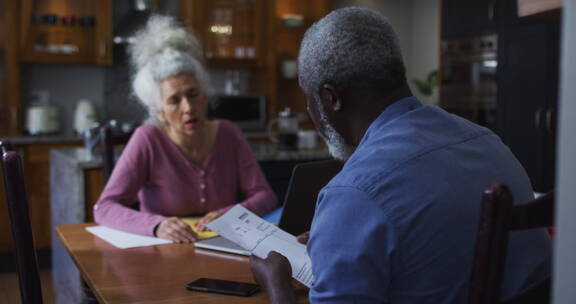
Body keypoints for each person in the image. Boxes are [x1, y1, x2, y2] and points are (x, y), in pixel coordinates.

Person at [250, 7, 551, 303]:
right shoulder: (487, 141)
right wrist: (337, 237)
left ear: (331, 98)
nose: (309, 111)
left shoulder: (354, 192)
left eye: (308, 97)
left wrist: (277, 285)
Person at [93, 15, 278, 242]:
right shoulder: (148, 139)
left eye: (193, 94)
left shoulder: (229, 133)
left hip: (222, 247)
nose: (188, 107)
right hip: (162, 253)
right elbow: (104, 208)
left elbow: (265, 196)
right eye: (174, 100)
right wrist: (157, 225)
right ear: (158, 111)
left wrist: (230, 215)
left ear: (205, 96)